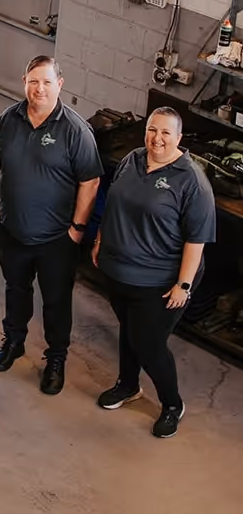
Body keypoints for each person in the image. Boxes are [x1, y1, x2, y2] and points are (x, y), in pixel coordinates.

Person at [92, 106, 216, 438]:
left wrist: (184, 285)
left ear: (178, 137)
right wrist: (101, 239)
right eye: (151, 130)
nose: (156, 138)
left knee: (148, 343)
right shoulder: (133, 159)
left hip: (160, 281)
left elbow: (197, 240)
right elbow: (114, 203)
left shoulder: (192, 181)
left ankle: (172, 403)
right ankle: (127, 385)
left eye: (164, 133)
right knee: (129, 330)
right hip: (119, 270)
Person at [0, 56, 102, 394]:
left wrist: (76, 230)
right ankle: (14, 342)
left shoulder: (75, 130)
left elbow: (90, 182)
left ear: (59, 85)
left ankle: (56, 359)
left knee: (56, 301)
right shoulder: (9, 119)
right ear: (24, 81)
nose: (39, 88)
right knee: (15, 290)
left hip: (56, 239)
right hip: (12, 231)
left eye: (47, 82)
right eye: (33, 81)